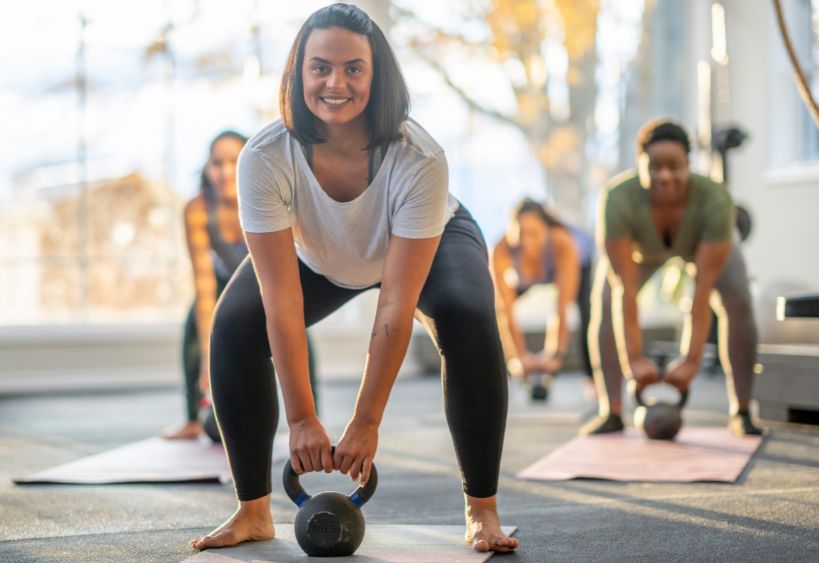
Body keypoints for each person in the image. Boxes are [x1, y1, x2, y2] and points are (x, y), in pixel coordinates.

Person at [190, 4, 518, 554]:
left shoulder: (419, 158)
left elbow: (394, 308)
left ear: (376, 75)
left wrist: (365, 424)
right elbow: (281, 301)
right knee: (236, 324)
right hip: (321, 255)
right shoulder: (264, 158)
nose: (335, 83)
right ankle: (252, 511)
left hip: (427, 246)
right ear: (299, 73)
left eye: (353, 69)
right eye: (320, 67)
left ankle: (482, 510)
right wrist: (302, 420)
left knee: (467, 314)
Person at [581, 118, 762, 437]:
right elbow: (627, 289)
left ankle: (743, 410)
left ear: (688, 165)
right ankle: (612, 410)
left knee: (738, 298)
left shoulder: (716, 200)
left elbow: (702, 291)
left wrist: (691, 359)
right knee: (607, 298)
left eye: (674, 166)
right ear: (640, 165)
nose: (664, 175)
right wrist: (633, 359)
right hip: (642, 252)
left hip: (701, 246)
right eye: (654, 167)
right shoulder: (616, 199)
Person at [162, 130, 317, 440]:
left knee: (296, 327)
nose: (225, 171)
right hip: (221, 283)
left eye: (233, 161)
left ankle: (313, 420)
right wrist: (208, 354)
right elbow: (204, 285)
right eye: (217, 163)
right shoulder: (197, 209)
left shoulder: (267, 197)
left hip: (269, 278)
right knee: (193, 332)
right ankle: (194, 418)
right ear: (207, 168)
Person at [492, 199, 595, 394]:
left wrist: (554, 355)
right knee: (489, 309)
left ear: (545, 231)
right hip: (532, 275)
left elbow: (561, 308)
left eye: (534, 234)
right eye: (521, 234)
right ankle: (499, 377)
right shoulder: (501, 249)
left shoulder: (562, 242)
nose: (527, 243)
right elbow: (505, 310)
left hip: (577, 262)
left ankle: (592, 378)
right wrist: (518, 356)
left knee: (588, 314)